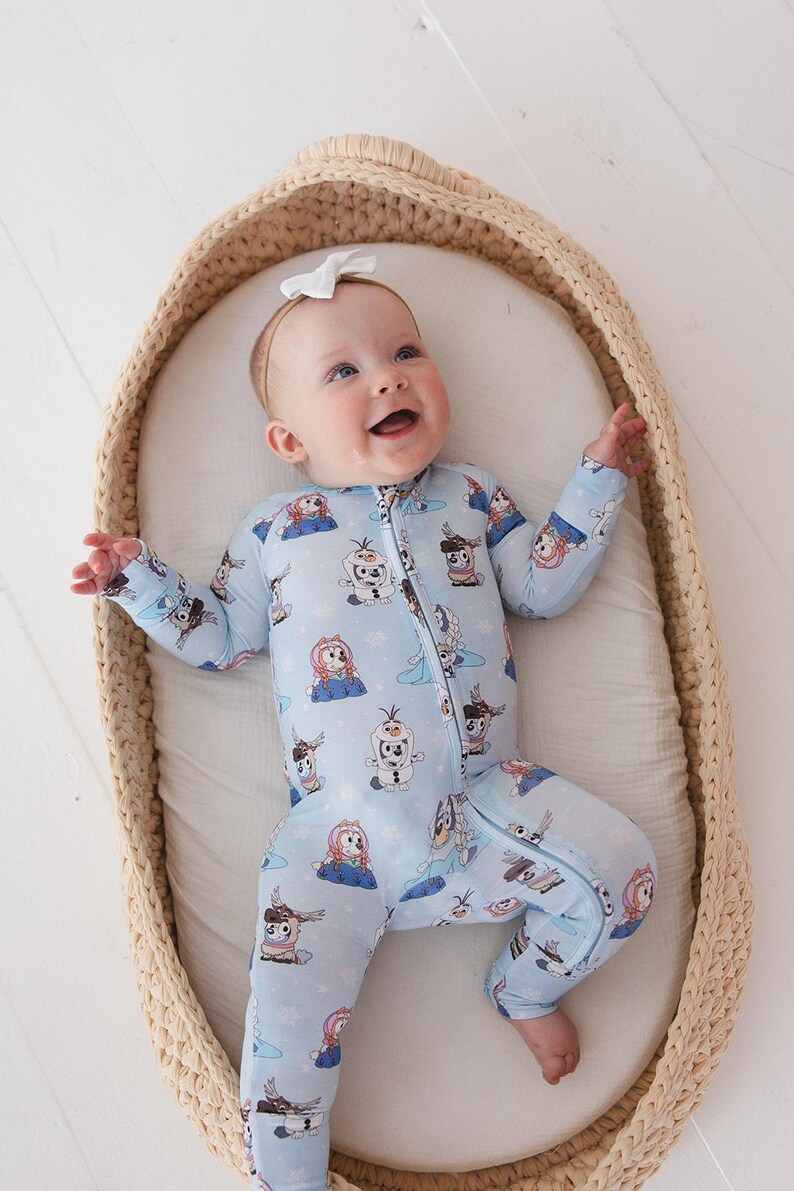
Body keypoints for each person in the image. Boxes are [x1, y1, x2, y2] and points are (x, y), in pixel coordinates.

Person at [71, 250, 658, 1191]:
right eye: (343, 372)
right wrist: (133, 580)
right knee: (285, 1039)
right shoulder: (273, 533)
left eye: (405, 352)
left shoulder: (473, 496)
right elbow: (220, 640)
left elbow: (543, 587)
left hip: (487, 804)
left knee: (627, 870)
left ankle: (525, 983)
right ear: (288, 438)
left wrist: (594, 482)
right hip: (333, 837)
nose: (388, 376)